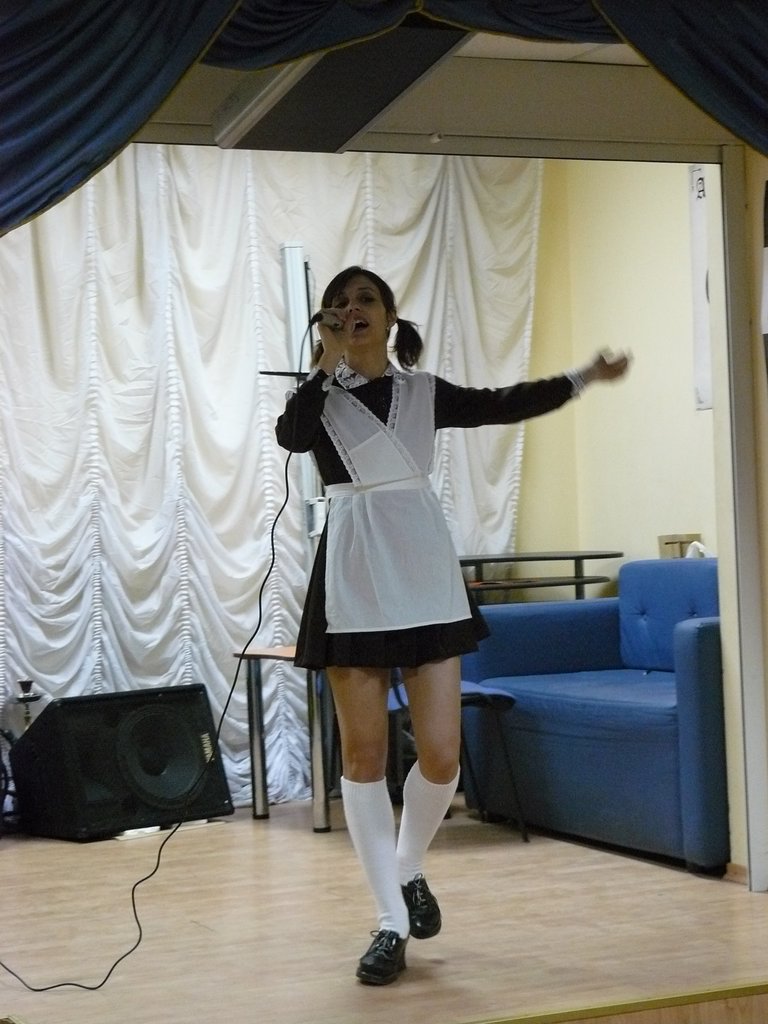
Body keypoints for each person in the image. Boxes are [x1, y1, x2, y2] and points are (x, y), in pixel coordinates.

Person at [275, 266, 631, 986]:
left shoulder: (423, 392)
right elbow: (292, 437)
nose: (352, 310)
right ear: (325, 324)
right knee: (364, 758)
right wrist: (323, 368)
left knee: (441, 755)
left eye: (365, 300)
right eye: (338, 305)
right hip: (353, 572)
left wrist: (584, 376)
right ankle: (389, 920)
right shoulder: (318, 397)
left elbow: (504, 404)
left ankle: (408, 867)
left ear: (390, 317)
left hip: (423, 571)